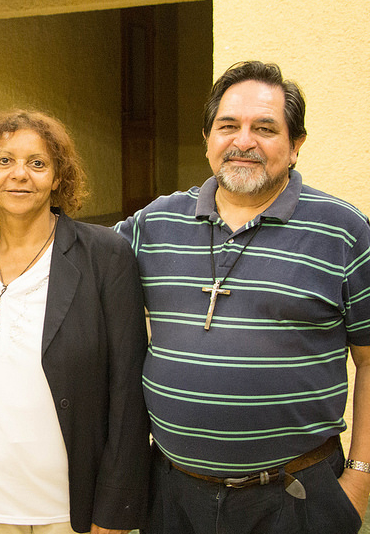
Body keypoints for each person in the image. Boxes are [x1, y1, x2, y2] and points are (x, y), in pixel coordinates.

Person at [113, 61, 370, 533]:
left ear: (296, 145)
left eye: (265, 129)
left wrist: (359, 479)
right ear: (208, 139)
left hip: (295, 500)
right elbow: (66, 256)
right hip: (172, 496)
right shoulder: (155, 223)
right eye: (228, 126)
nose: (243, 141)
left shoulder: (343, 232)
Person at [0, 110, 151, 534]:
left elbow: (128, 390)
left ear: (57, 178)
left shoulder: (104, 255)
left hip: (69, 504)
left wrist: (115, 508)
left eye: (37, 163)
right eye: (4, 161)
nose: (20, 174)